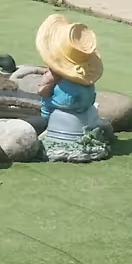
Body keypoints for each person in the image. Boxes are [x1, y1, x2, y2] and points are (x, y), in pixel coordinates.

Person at [31, 13, 112, 162]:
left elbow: (43, 90)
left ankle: (48, 128)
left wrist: (45, 88)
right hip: (86, 102)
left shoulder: (56, 74)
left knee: (46, 102)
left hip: (66, 102)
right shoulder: (87, 75)